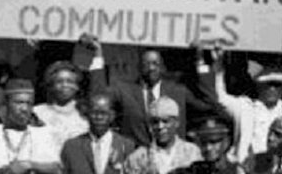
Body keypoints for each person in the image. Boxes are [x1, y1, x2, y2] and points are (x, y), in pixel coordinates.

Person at [85, 36, 216, 146]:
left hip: (172, 165)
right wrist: (98, 54)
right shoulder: (125, 91)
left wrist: (200, 60)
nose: (151, 68)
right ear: (139, 68)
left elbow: (208, 103)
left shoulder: (178, 91)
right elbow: (98, 97)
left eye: (155, 63)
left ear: (163, 68)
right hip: (136, 162)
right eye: (146, 64)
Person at [122, 97, 201, 174]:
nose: (160, 126)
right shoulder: (138, 158)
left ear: (177, 122)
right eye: (155, 122)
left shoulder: (192, 153)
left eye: (165, 121)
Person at [61, 93, 136, 174]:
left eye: (104, 113)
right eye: (94, 113)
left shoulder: (126, 146)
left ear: (112, 116)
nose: (99, 117)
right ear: (87, 115)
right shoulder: (72, 146)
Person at [32, 61, 89, 151]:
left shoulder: (86, 113)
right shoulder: (37, 113)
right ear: (51, 86)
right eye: (59, 81)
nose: (65, 85)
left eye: (70, 81)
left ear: (77, 86)